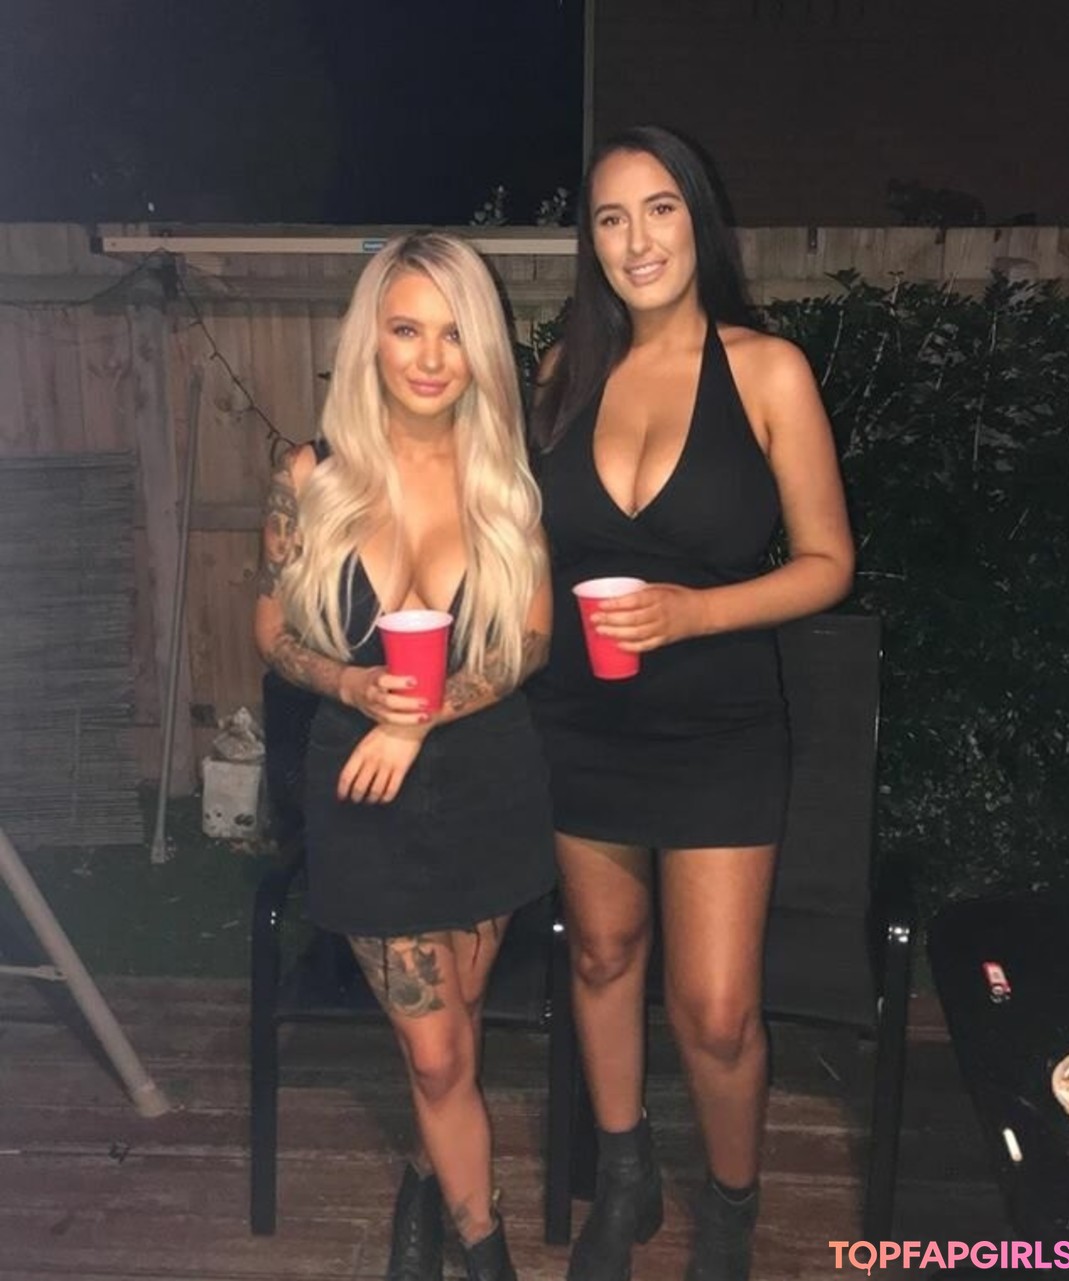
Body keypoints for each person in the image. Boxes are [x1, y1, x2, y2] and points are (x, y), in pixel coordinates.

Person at [527, 126, 855, 1281]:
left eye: (659, 208)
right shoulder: (565, 374)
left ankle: (730, 1208)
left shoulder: (768, 371)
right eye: (610, 218)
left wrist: (695, 613)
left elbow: (828, 563)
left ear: (698, 219)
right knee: (603, 954)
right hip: (581, 719)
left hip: (719, 725)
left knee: (714, 1009)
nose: (637, 240)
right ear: (592, 242)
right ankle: (626, 1173)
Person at [254, 232, 556, 1281]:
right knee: (434, 1054)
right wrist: (351, 687)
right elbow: (270, 630)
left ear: (482, 350)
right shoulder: (311, 475)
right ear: (370, 340)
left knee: (456, 1036)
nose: (430, 357)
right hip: (363, 792)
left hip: (487, 783)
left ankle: (430, 1184)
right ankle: (489, 1254)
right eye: (406, 329)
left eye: (454, 334)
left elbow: (531, 640)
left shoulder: (504, 481)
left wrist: (419, 716)